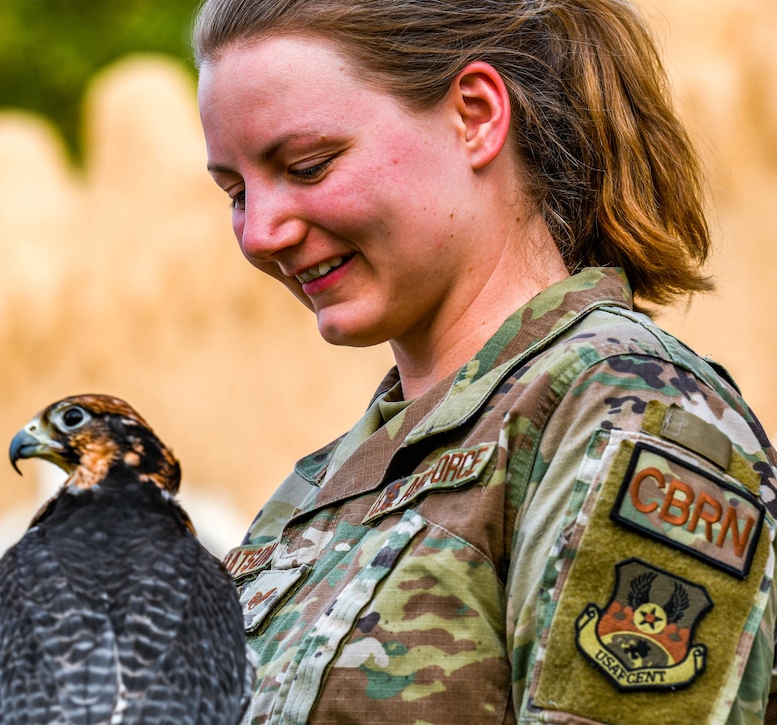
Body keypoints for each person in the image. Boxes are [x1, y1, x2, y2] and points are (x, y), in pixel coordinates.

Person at [192, 0, 777, 722]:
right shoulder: (317, 490)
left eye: (307, 167)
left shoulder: (632, 415)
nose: (259, 233)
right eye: (236, 192)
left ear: (475, 115)